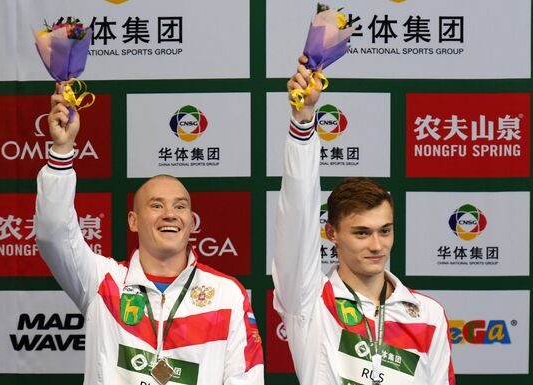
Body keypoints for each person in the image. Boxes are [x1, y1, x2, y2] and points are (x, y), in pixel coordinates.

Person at [35, 92, 264, 385]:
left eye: (180, 206)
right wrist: (62, 150)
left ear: (191, 221)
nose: (170, 214)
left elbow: (246, 378)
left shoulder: (226, 293)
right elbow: (54, 231)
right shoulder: (103, 281)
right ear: (133, 221)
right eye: (156, 205)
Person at [272, 57, 455, 385]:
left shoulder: (427, 314)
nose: (377, 245)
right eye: (361, 233)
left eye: (385, 230)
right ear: (331, 233)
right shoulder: (309, 300)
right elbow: (297, 214)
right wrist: (303, 120)